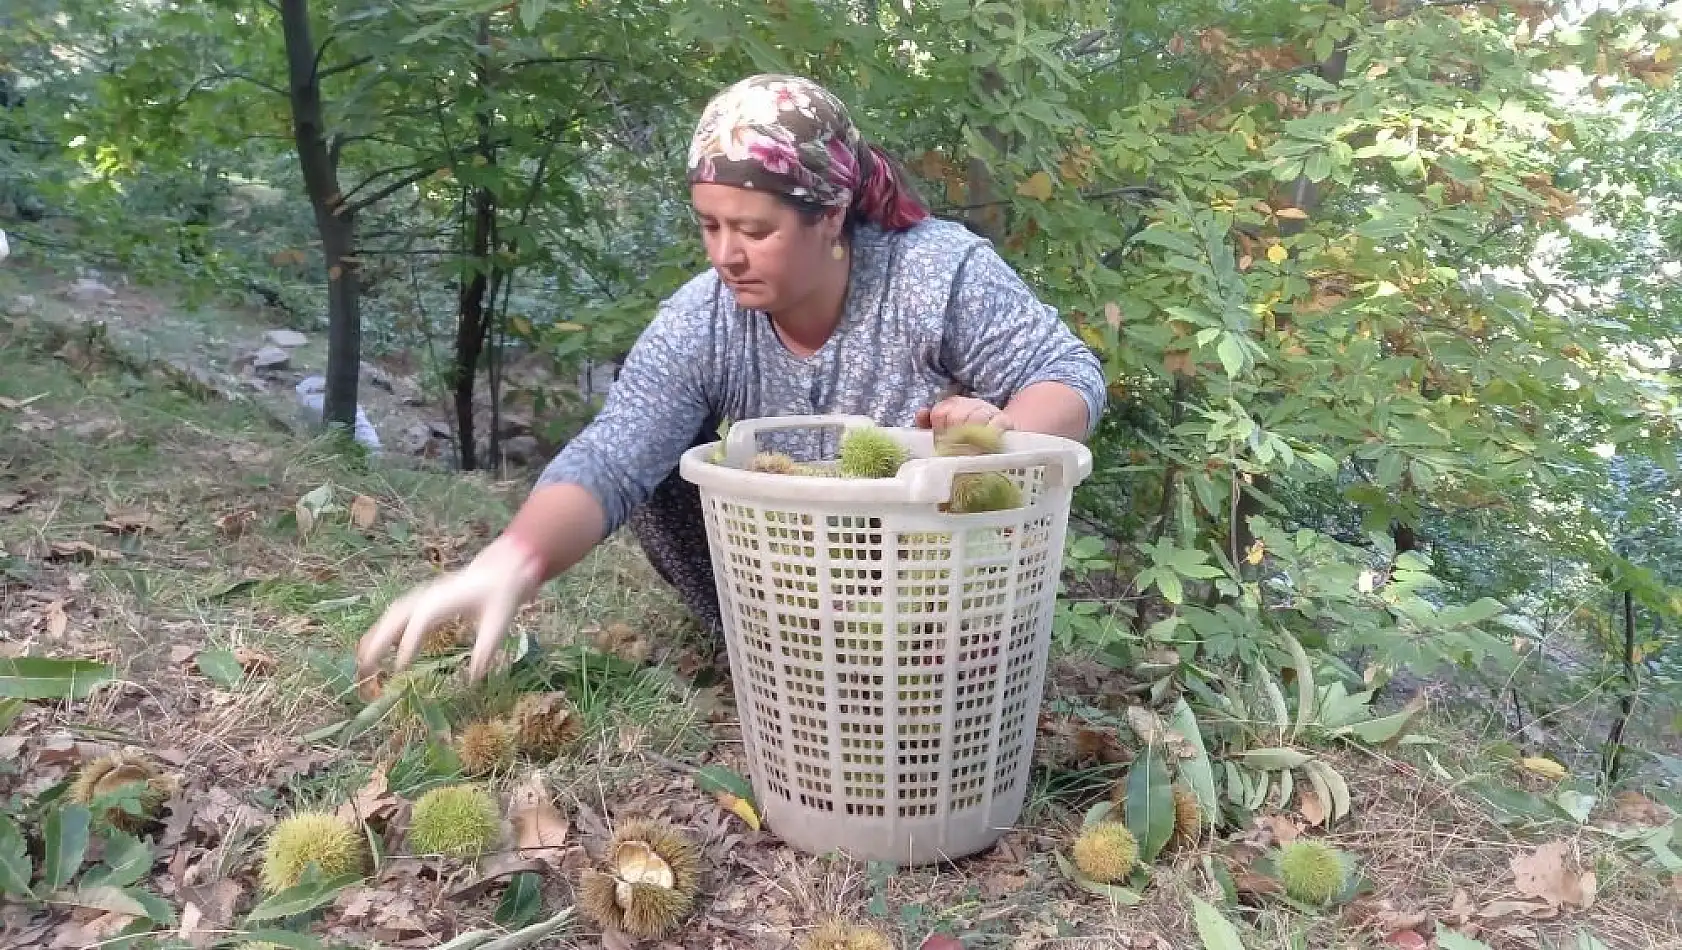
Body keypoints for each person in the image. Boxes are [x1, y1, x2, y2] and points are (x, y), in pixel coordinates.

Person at [355, 74, 1108, 685]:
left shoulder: (937, 274)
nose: (725, 255)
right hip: (784, 586)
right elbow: (616, 451)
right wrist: (510, 562)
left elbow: (1068, 375)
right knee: (663, 465)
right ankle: (775, 650)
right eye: (709, 226)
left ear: (831, 216)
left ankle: (932, 668)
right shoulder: (704, 320)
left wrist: (1002, 431)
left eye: (754, 231)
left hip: (933, 586)